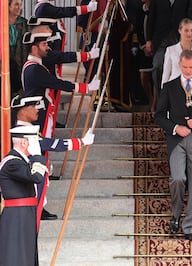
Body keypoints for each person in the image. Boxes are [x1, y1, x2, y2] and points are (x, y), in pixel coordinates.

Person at [155, 50, 192, 242]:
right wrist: (175, 127)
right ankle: (176, 213)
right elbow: (158, 115)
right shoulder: (170, 86)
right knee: (178, 178)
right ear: (180, 65)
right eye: (185, 67)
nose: (188, 71)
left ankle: (190, 227)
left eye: (191, 67)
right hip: (177, 141)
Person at [11, 95, 95, 222]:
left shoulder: (26, 129)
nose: (37, 109)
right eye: (33, 106)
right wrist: (80, 142)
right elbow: (50, 144)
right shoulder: (23, 131)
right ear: (23, 110)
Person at [21, 30, 100, 137]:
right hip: (38, 115)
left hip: (41, 112)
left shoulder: (34, 66)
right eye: (44, 44)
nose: (48, 47)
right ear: (34, 48)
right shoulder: (34, 69)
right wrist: (86, 88)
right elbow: (58, 84)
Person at [0, 125, 47, 266]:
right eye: (34, 141)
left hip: (22, 213)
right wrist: (38, 157)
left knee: (25, 253)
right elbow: (36, 177)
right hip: (17, 214)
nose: (36, 144)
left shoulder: (20, 161)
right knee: (17, 255)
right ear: (24, 142)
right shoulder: (13, 163)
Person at [161, 18, 192, 88]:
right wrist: (163, 92)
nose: (189, 33)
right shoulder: (170, 50)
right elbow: (166, 74)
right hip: (174, 88)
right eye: (186, 30)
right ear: (180, 30)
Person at [8, 0, 28, 98]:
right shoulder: (2, 22)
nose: (19, 7)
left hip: (20, 60)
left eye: (20, 5)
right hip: (4, 61)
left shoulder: (24, 23)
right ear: (8, 6)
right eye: (16, 4)